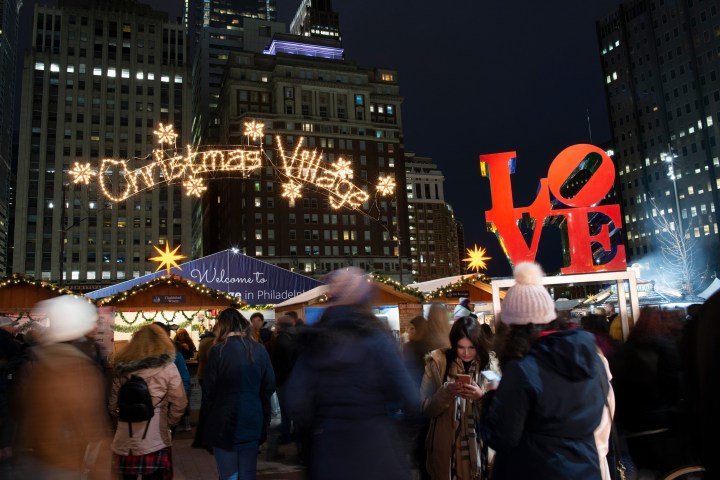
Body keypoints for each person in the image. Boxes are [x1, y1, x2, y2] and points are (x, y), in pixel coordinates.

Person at [285, 267, 420, 480]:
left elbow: (295, 399)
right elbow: (410, 396)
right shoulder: (376, 338)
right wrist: (397, 433)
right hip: (378, 452)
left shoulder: (317, 339)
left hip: (330, 453)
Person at [479, 262, 609, 479]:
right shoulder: (590, 358)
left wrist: (492, 396)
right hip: (585, 469)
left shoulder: (522, 369)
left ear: (511, 329)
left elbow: (501, 437)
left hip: (535, 470)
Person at [17, 296, 111, 479]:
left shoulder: (35, 359)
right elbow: (90, 424)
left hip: (32, 459)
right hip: (63, 463)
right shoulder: (75, 367)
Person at [420, 316, 499, 480]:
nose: (466, 353)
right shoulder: (437, 363)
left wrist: (481, 397)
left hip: (482, 451)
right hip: (447, 452)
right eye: (460, 347)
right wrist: (446, 392)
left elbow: (502, 412)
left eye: (471, 347)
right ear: (453, 344)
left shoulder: (490, 364)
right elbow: (425, 409)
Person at [610, 307, 686, 475]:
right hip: (663, 425)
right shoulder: (665, 348)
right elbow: (674, 386)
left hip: (633, 428)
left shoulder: (622, 352)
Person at [202, 308, 276, 480]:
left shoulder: (218, 351)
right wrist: (256, 402)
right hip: (252, 417)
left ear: (222, 326)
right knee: (248, 473)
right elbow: (269, 385)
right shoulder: (259, 349)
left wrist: (206, 422)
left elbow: (209, 391)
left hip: (223, 419)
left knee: (229, 475)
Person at [109, 324, 187, 480]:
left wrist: (120, 419)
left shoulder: (122, 368)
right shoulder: (168, 367)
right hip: (155, 435)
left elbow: (112, 403)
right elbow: (180, 401)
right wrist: (170, 422)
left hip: (125, 437)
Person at [153, 322, 192, 432]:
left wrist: (171, 421)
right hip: (154, 410)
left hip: (165, 405)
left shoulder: (174, 355)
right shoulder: (143, 357)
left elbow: (185, 382)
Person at [270, 315, 298, 445]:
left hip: (284, 379)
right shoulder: (297, 336)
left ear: (280, 326)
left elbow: (282, 362)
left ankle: (286, 435)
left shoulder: (281, 339)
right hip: (295, 379)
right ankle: (295, 435)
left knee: (285, 411)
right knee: (295, 411)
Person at [192, 324, 217, 449]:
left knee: (206, 407)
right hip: (209, 377)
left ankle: (201, 438)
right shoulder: (212, 342)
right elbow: (213, 360)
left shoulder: (204, 340)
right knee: (210, 408)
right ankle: (207, 439)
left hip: (202, 376)